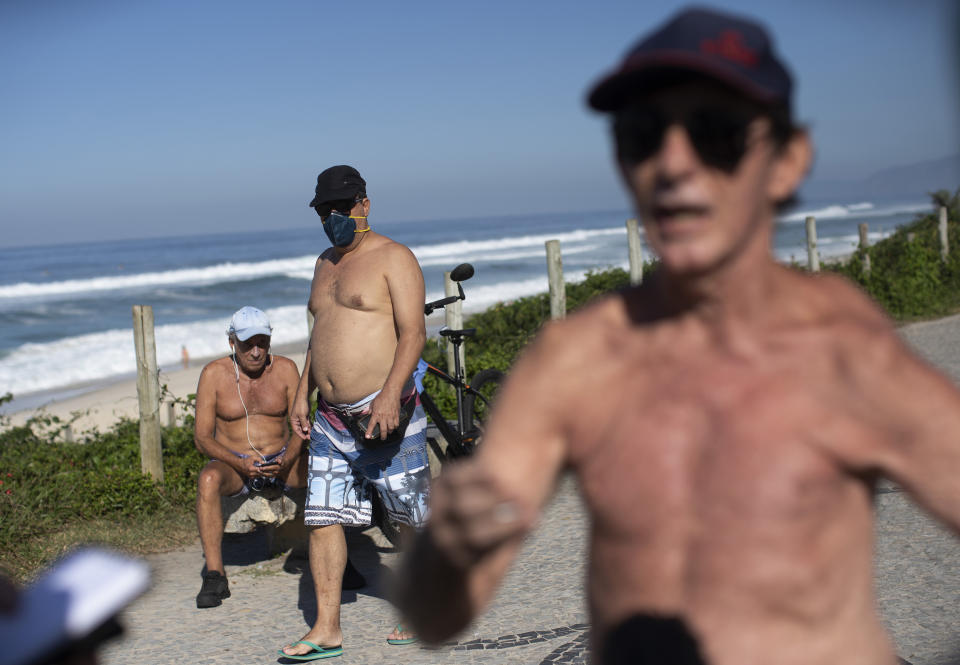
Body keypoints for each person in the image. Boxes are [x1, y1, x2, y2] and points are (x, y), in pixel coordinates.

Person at [395, 7, 960, 665]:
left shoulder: (843, 348)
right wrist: (446, 550)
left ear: (788, 160)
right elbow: (435, 617)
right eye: (641, 134)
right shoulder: (575, 359)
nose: (672, 163)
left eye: (715, 132)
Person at [279, 165, 428, 659]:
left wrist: (390, 392)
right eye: (325, 210)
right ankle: (326, 629)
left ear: (364, 203)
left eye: (342, 207)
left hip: (386, 409)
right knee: (322, 517)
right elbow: (319, 336)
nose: (334, 217)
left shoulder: (394, 257)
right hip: (330, 418)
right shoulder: (324, 263)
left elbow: (413, 334)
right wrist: (303, 392)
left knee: (406, 515)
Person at [192, 306, 307, 609]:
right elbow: (202, 437)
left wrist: (289, 458)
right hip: (236, 464)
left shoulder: (285, 369)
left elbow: (302, 425)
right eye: (247, 345)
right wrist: (238, 462)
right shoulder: (213, 374)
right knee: (207, 479)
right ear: (232, 343)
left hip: (282, 460)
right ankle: (215, 574)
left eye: (262, 343)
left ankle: (339, 558)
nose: (256, 352)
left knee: (324, 467)